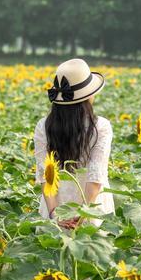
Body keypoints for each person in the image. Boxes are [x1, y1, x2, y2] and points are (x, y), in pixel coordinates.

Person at [33, 59, 114, 229]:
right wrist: (83, 213)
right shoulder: (100, 127)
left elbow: (45, 176)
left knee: (53, 252)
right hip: (92, 206)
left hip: (55, 205)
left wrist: (55, 213)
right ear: (88, 95)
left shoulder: (43, 127)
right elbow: (95, 177)